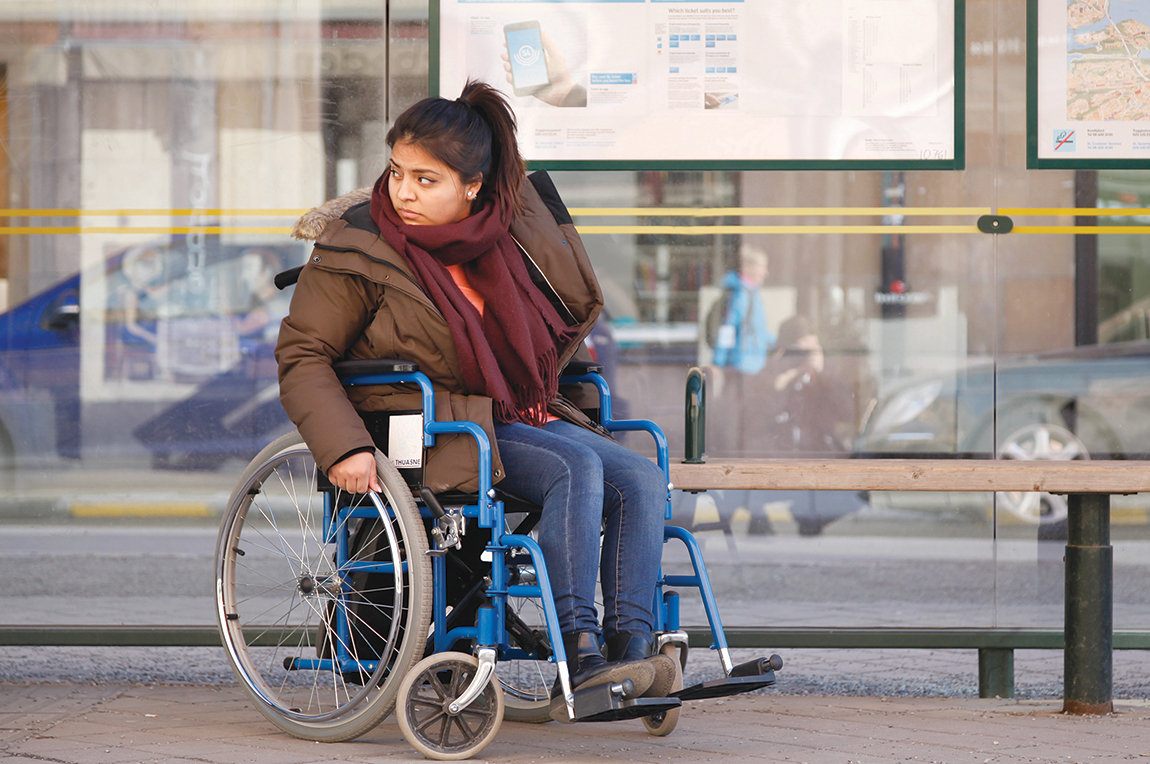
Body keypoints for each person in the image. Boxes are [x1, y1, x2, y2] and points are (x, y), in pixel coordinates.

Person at [276, 80, 674, 721]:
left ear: (473, 187)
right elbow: (302, 356)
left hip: (506, 420)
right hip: (423, 428)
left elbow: (548, 340)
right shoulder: (357, 248)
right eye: (398, 172)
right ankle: (581, 649)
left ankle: (634, 645)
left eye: (426, 180)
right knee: (580, 468)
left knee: (642, 476)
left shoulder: (507, 244)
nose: (403, 192)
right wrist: (344, 446)